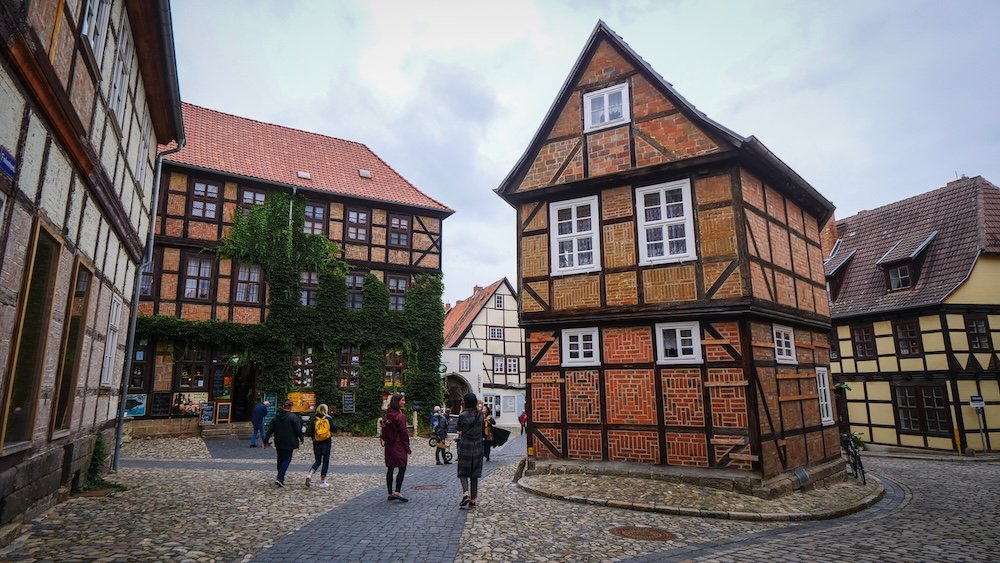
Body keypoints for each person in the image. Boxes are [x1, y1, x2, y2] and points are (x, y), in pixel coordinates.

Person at [264, 400, 303, 487]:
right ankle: (280, 478)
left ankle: (280, 478)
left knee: (280, 459)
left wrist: (265, 441)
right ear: (291, 407)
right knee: (287, 459)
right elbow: (298, 430)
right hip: (289, 442)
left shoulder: (276, 417)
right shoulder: (293, 417)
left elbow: (269, 431)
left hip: (279, 441)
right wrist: (301, 438)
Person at [456, 393, 484, 509]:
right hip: (477, 446)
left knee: (463, 470)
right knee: (475, 473)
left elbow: (459, 429)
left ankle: (466, 493)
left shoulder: (463, 415)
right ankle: (473, 500)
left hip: (465, 445)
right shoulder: (480, 415)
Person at [381, 393, 410, 502]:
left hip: (389, 444)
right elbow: (404, 433)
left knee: (390, 468)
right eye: (402, 400)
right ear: (397, 402)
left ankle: (390, 492)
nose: (404, 402)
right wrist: (407, 446)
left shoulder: (387, 414)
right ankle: (397, 492)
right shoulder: (400, 416)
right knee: (402, 467)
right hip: (398, 445)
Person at [305, 403, 333, 488]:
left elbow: (310, 432)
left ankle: (309, 475)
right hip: (327, 442)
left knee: (317, 461)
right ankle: (322, 481)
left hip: (316, 443)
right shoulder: (328, 418)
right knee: (325, 461)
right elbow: (334, 428)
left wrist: (313, 438)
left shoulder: (314, 419)